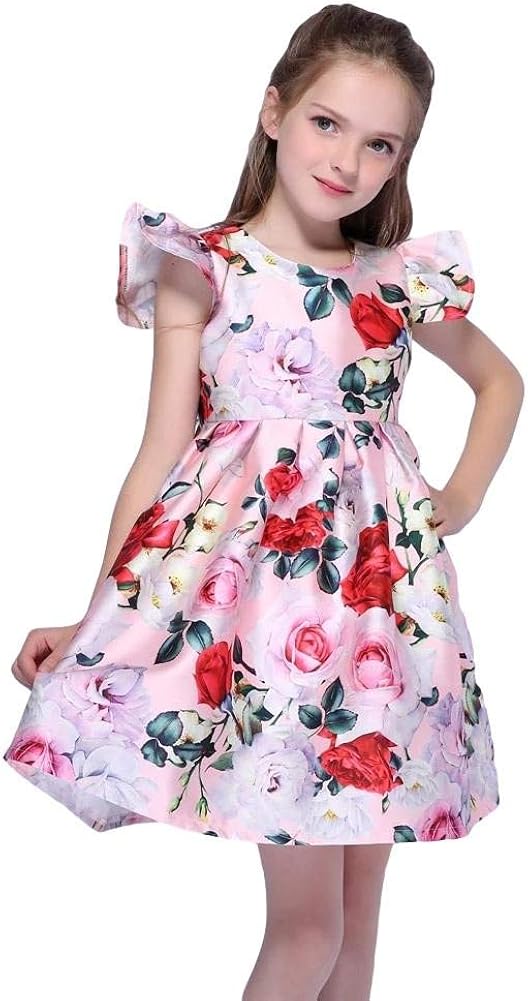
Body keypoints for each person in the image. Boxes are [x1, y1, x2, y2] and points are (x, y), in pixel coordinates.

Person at [4, 4, 523, 1000]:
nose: (348, 161)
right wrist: (98, 614)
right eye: (327, 123)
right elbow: (161, 456)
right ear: (275, 111)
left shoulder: (395, 278)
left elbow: (502, 382)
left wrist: (457, 496)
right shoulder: (210, 266)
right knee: (309, 929)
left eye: (381, 144)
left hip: (386, 621)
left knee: (356, 931)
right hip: (272, 633)